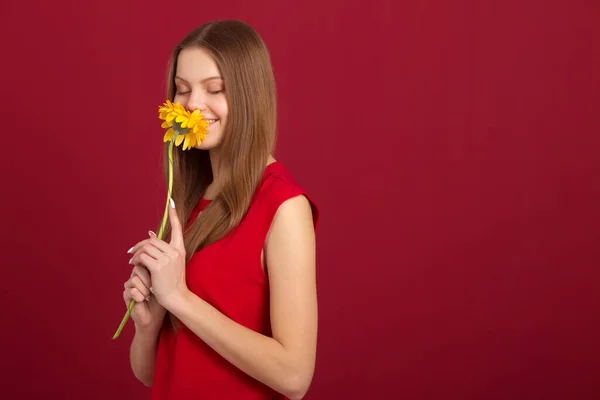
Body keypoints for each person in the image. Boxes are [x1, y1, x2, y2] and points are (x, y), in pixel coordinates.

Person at [121, 20, 320, 400]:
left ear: (250, 95)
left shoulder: (284, 207)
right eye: (182, 90)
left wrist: (179, 297)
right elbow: (151, 374)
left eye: (214, 89)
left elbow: (295, 377)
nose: (192, 105)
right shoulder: (191, 200)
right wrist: (148, 324)